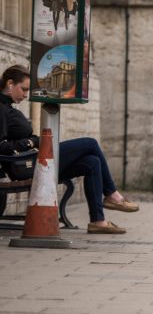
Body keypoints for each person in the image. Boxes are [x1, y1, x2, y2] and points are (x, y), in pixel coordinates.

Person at [1, 65, 138, 234]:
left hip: (35, 159)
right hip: (25, 165)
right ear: (10, 84)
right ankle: (112, 195)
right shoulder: (1, 109)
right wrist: (31, 141)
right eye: (23, 89)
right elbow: (2, 146)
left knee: (92, 162)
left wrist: (33, 141)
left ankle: (98, 221)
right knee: (90, 143)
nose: (25, 94)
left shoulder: (8, 108)